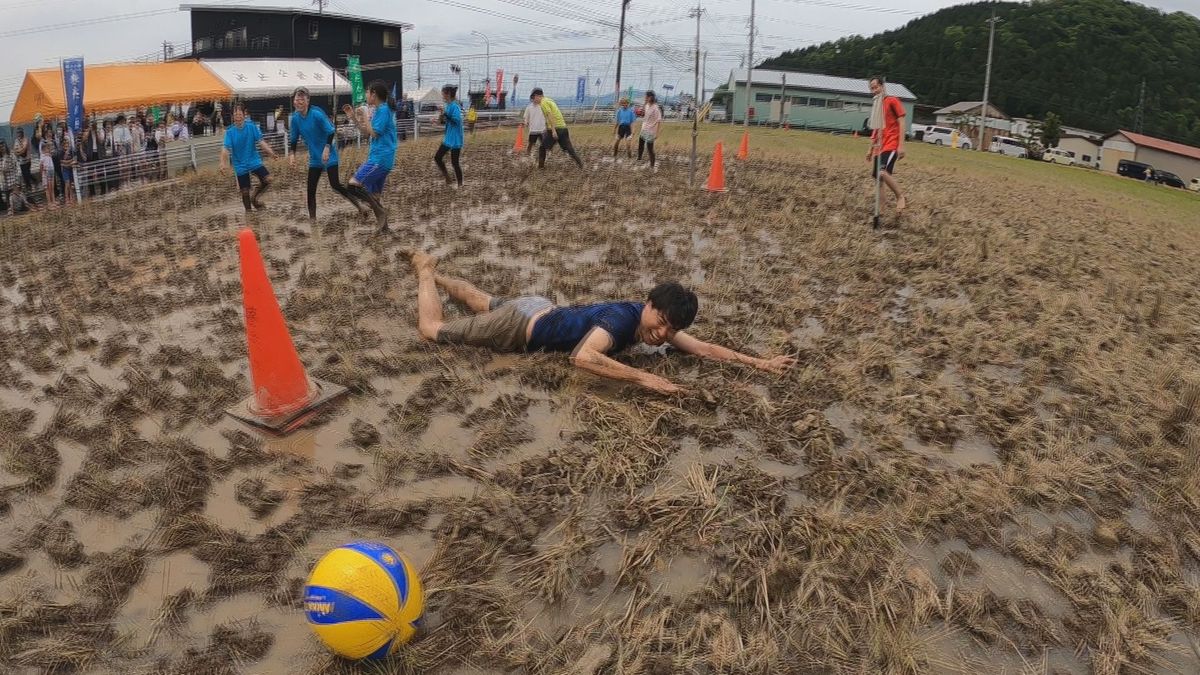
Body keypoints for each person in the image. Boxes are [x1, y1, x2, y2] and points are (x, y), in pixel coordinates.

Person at [407, 252, 796, 394]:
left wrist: (759, 363)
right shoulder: (622, 319)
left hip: (538, 307)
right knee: (433, 331)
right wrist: (646, 378)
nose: (660, 335)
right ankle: (426, 271)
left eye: (669, 332)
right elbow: (583, 357)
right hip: (517, 328)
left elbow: (705, 349)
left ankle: (442, 278)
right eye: (659, 323)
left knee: (479, 300)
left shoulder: (651, 321)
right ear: (648, 305)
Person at [288, 86, 365, 220]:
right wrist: (292, 155)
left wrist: (327, 148)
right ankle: (313, 221)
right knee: (310, 190)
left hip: (329, 155)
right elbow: (293, 139)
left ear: (307, 101)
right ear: (293, 101)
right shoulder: (295, 119)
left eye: (302, 99)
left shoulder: (316, 114)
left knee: (335, 184)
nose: (299, 102)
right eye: (296, 99)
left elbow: (330, 131)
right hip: (315, 159)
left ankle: (359, 206)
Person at [341, 79, 397, 231]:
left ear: (373, 94)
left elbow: (375, 133)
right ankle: (384, 228)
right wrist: (353, 117)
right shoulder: (380, 110)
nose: (365, 95)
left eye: (367, 92)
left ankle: (380, 213)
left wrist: (365, 114)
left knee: (353, 185)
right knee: (375, 196)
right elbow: (367, 133)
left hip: (380, 158)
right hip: (380, 157)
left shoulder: (384, 110)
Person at [220, 102, 277, 212]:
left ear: (244, 114)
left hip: (253, 160)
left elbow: (261, 142)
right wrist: (223, 163)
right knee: (245, 191)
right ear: (233, 116)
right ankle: (249, 214)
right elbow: (225, 149)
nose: (238, 117)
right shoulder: (230, 132)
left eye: (240, 114)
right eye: (235, 114)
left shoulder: (251, 126)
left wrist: (271, 153)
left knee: (268, 179)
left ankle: (254, 197)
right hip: (240, 164)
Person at [866, 75, 907, 212]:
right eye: (871, 89)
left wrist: (901, 145)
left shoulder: (892, 101)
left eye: (876, 87)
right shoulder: (877, 106)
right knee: (878, 178)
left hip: (891, 144)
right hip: (879, 147)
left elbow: (901, 121)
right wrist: (870, 150)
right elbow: (876, 129)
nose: (874, 91)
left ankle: (900, 196)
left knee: (883, 173)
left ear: (883, 87)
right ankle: (881, 208)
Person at [532, 88, 583, 169]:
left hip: (556, 129)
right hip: (563, 127)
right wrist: (547, 128)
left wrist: (553, 131)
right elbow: (551, 116)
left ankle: (540, 168)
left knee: (542, 147)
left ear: (537, 96)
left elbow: (550, 115)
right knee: (568, 148)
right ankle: (580, 164)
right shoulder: (549, 100)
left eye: (533, 98)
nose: (533, 101)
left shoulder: (543, 103)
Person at [434, 85, 464, 188]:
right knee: (437, 157)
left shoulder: (455, 106)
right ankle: (447, 177)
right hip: (448, 138)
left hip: (455, 138)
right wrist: (440, 117)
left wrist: (445, 114)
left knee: (455, 163)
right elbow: (445, 121)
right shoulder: (448, 106)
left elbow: (456, 120)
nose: (442, 96)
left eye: (443, 94)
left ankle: (460, 184)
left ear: (449, 95)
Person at [637, 91, 663, 170]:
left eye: (646, 97)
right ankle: (639, 158)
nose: (645, 98)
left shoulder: (656, 108)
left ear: (650, 97)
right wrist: (643, 105)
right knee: (640, 144)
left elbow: (659, 121)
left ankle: (652, 165)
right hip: (644, 128)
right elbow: (643, 115)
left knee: (650, 149)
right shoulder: (647, 105)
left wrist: (657, 133)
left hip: (651, 131)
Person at [522, 92, 546, 158]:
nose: (538, 98)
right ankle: (527, 156)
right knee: (530, 144)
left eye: (540, 96)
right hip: (533, 130)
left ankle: (542, 157)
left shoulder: (543, 106)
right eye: (537, 96)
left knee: (544, 144)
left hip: (542, 130)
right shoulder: (529, 107)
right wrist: (526, 123)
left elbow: (548, 116)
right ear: (533, 97)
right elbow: (526, 117)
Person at [39, 134, 56, 208]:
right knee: (48, 189)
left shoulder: (49, 155)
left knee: (52, 188)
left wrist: (48, 141)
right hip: (46, 174)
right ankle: (49, 202)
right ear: (43, 150)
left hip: (51, 171)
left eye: (48, 148)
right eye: (46, 148)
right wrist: (43, 174)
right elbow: (41, 167)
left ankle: (53, 201)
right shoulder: (42, 156)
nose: (48, 149)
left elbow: (50, 145)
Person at [0, 141, 17, 212]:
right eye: (0, 147)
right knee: (7, 196)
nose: (2, 148)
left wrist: (17, 177)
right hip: (4, 180)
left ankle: (15, 208)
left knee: (14, 195)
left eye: (3, 146)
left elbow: (15, 166)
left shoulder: (11, 155)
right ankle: (9, 209)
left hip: (12, 178)